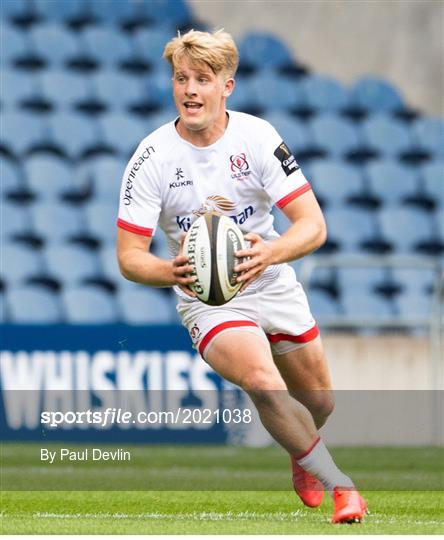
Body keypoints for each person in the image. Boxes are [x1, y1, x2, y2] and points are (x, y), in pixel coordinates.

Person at [116, 29, 367, 524]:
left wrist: (270, 253)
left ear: (227, 86)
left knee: (319, 401)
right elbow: (129, 257)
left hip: (269, 277)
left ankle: (302, 452)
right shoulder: (151, 158)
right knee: (260, 379)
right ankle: (342, 486)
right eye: (180, 78)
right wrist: (172, 271)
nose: (189, 90)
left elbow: (313, 226)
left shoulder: (257, 137)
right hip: (207, 295)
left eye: (202, 80)